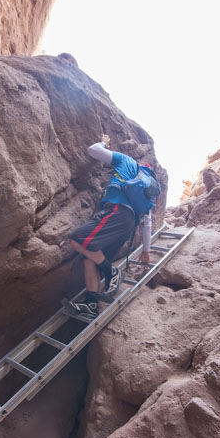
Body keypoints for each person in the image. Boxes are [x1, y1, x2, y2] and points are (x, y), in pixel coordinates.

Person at [66, 134, 153, 318]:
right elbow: (147, 221)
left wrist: (104, 143)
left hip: (116, 212)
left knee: (77, 239)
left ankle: (111, 272)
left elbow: (93, 150)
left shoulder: (126, 161)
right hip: (126, 224)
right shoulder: (146, 189)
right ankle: (91, 304)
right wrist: (146, 251)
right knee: (90, 258)